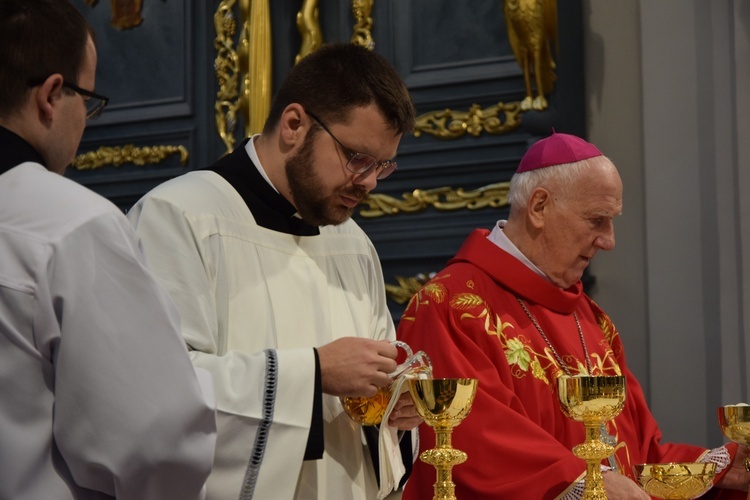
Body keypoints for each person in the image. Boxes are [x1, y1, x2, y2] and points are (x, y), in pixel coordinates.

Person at [127, 42, 422, 499]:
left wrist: (393, 407)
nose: (367, 183)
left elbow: (374, 387)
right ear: (293, 125)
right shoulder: (180, 218)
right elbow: (152, 393)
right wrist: (313, 372)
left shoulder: (353, 243)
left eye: (382, 167)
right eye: (356, 157)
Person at [397, 131, 750, 499]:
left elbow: (639, 457)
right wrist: (583, 485)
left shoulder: (592, 321)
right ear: (539, 207)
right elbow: (477, 445)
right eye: (597, 220)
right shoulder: (449, 307)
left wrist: (718, 468)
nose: (609, 241)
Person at [0, 1, 217, 499]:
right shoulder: (71, 224)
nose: (87, 122)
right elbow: (156, 442)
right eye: (89, 100)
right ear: (52, 95)